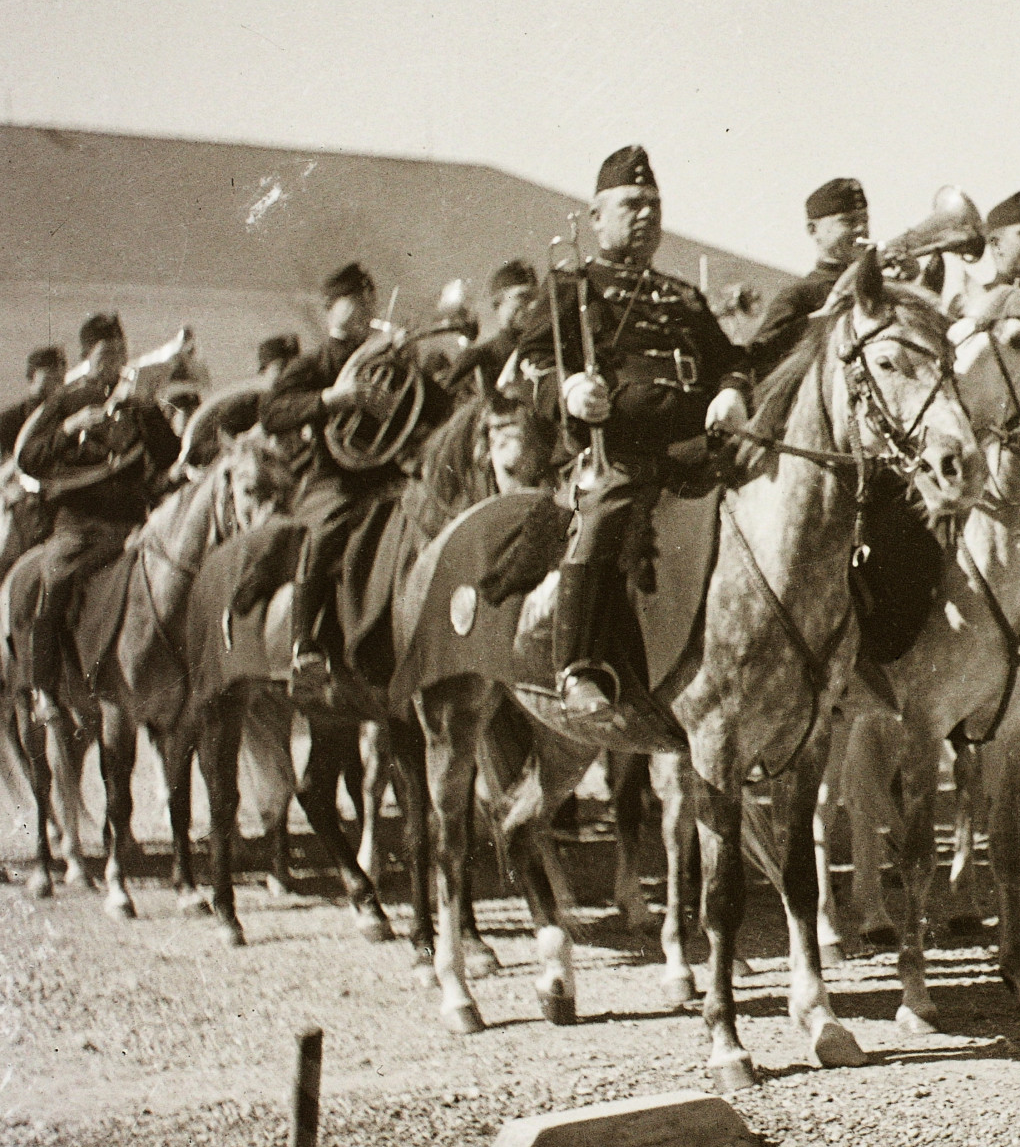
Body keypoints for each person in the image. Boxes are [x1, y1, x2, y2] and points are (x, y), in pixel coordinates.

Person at [507, 144, 753, 723]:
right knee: (607, 508)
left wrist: (733, 391)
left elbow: (732, 359)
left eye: (654, 205)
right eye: (630, 204)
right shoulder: (575, 285)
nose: (646, 216)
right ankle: (580, 666)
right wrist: (568, 391)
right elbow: (530, 365)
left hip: (700, 453)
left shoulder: (683, 296)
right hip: (622, 453)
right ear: (596, 218)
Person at [262, 262, 448, 698]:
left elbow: (438, 408)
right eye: (354, 300)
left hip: (388, 479)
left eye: (369, 299)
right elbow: (271, 412)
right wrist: (334, 399)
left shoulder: (388, 356)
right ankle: (303, 644)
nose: (365, 307)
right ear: (331, 308)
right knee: (326, 532)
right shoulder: (313, 363)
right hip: (333, 481)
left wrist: (413, 371)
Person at [15, 314, 179, 722]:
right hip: (79, 525)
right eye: (106, 354)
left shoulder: (137, 403)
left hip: (131, 524)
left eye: (121, 353)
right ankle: (44, 689)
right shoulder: (65, 402)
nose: (116, 361)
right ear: (87, 358)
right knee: (55, 585)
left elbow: (169, 455)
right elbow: (29, 458)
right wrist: (71, 427)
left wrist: (150, 412)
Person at [739, 178, 868, 381]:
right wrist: (820, 319)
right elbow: (760, 354)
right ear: (812, 230)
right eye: (848, 221)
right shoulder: (799, 295)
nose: (861, 228)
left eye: (864, 220)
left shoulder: (876, 287)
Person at [443, 260, 540, 398]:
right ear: (498, 302)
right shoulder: (481, 356)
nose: (533, 304)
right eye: (523, 296)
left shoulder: (546, 343)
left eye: (536, 296)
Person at [0, 346, 69, 462]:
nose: (54, 387)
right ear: (31, 377)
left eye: (58, 380)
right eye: (48, 378)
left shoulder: (67, 416)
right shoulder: (8, 421)